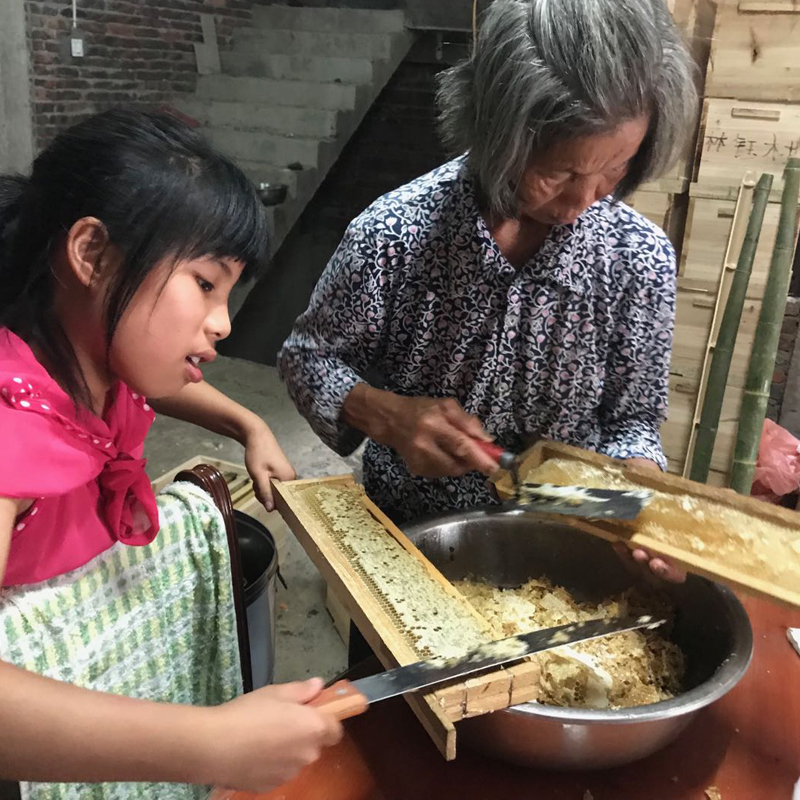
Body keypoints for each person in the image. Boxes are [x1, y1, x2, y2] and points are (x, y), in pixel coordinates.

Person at [279, 0, 697, 581]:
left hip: (567, 554)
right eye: (560, 172)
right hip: (408, 547)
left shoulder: (636, 257)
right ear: (498, 132)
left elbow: (633, 420)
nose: (583, 203)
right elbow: (307, 359)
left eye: (614, 170)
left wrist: (638, 497)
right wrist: (388, 416)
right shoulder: (396, 235)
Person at [0, 109, 340, 792]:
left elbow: (162, 389)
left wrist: (250, 425)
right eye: (205, 284)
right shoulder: (12, 438)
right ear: (92, 254)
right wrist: (206, 745)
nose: (223, 322)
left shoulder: (86, 359)